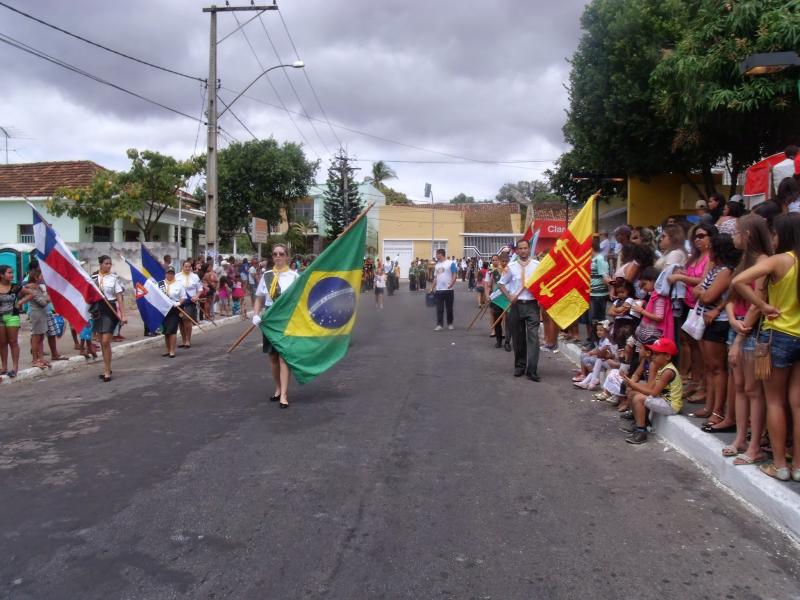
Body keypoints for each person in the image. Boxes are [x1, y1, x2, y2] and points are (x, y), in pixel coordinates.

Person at [732, 213, 800, 482]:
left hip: (777, 337)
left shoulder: (778, 260)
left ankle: (780, 464)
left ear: (782, 234)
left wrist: (763, 307)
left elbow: (739, 282)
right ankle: (797, 467)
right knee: (797, 404)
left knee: (774, 401)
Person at [725, 214, 773, 465]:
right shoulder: (745, 261)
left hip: (752, 332)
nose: (733, 236)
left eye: (737, 231)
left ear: (749, 234)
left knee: (753, 390)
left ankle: (754, 444)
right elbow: (731, 298)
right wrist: (733, 320)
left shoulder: (764, 262)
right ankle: (740, 438)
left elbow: (758, 302)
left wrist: (739, 335)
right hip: (739, 327)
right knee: (741, 387)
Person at [252, 243, 300, 408]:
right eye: (275, 254)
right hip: (269, 320)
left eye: (281, 253)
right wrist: (256, 314)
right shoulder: (266, 275)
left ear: (287, 256)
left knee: (283, 357)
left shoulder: (294, 277)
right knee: (272, 357)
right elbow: (259, 297)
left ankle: (284, 395)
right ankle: (278, 388)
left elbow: (298, 301)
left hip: (285, 320)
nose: (278, 256)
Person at [620, 337, 683, 444]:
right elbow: (650, 388)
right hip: (663, 400)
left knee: (639, 398)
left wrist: (633, 384)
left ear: (667, 356)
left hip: (671, 405)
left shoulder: (668, 371)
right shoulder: (661, 368)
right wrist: (632, 385)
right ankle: (640, 422)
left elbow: (653, 393)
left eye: (657, 354)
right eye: (654, 353)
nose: (653, 356)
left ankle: (641, 431)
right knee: (633, 393)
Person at [499, 238, 541, 381]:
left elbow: (544, 283)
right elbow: (501, 284)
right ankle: (520, 366)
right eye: (520, 248)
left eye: (525, 248)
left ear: (529, 249)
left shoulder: (538, 266)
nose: (523, 251)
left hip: (532, 305)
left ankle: (532, 370)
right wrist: (509, 297)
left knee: (534, 338)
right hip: (516, 306)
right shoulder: (511, 267)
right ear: (517, 251)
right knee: (518, 338)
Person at [91, 255, 126, 382]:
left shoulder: (114, 278)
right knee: (102, 342)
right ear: (100, 264)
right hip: (97, 310)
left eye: (110, 264)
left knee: (106, 341)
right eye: (106, 263)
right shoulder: (93, 278)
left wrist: (123, 314)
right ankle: (107, 367)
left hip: (110, 309)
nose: (109, 266)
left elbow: (119, 297)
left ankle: (107, 371)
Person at [19, 268, 51, 369]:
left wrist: (46, 298)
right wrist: (48, 298)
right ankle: (34, 359)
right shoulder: (32, 288)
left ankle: (41, 358)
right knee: (36, 337)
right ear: (35, 277)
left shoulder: (38, 287)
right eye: (41, 276)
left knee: (41, 337)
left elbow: (43, 300)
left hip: (42, 313)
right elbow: (42, 302)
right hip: (36, 314)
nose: (42, 277)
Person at [0, 265, 23, 378]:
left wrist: (20, 302)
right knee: (2, 343)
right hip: (0, 318)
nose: (12, 275)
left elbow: (30, 293)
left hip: (12, 316)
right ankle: (4, 367)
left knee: (13, 341)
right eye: (9, 273)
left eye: (12, 272)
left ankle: (15, 367)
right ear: (2, 275)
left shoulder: (15, 287)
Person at [159, 266, 185, 359]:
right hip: (164, 310)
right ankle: (167, 349)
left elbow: (183, 297)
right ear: (165, 274)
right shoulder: (160, 284)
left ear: (174, 274)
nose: (170, 274)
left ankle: (172, 351)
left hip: (174, 309)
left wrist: (178, 303)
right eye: (168, 273)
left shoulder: (179, 285)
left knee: (172, 330)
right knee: (166, 331)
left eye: (171, 273)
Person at [175, 259, 202, 349]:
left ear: (191, 267)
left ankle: (188, 340)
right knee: (181, 321)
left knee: (187, 319)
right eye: (186, 266)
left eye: (189, 266)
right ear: (182, 267)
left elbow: (200, 289)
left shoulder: (195, 277)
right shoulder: (177, 276)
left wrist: (197, 296)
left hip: (190, 302)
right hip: (179, 302)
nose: (187, 268)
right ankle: (183, 340)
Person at [432, 248, 457, 330]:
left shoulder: (451, 263)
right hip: (439, 290)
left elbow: (454, 274)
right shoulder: (437, 265)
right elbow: (436, 277)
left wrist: (452, 284)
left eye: (436, 254)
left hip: (449, 290)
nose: (436, 256)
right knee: (439, 308)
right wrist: (432, 287)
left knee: (449, 308)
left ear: (440, 254)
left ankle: (450, 323)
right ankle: (439, 324)